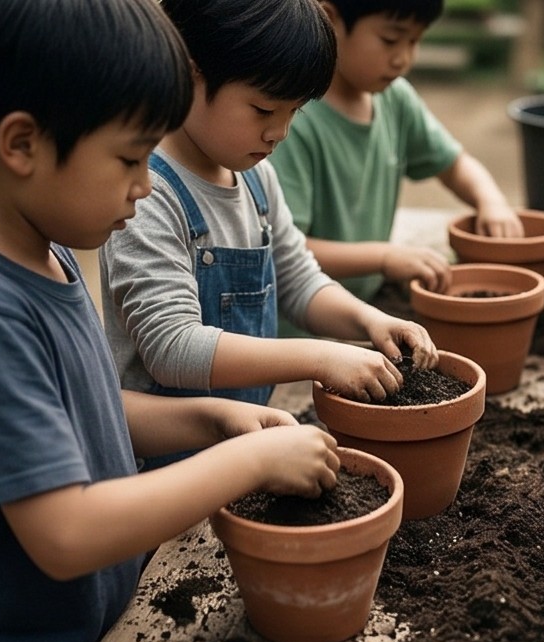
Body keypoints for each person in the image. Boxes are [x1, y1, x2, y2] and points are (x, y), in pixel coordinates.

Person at [0, 1, 341, 642]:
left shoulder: (44, 254)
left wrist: (213, 420)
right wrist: (249, 463)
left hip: (83, 640)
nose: (145, 185)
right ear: (22, 145)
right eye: (131, 157)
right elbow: (66, 533)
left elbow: (87, 409)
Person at [98, 0, 438, 432]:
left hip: (247, 442)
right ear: (188, 73)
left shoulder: (257, 178)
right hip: (169, 460)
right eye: (263, 110)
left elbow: (299, 281)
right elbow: (172, 347)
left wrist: (370, 321)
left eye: (294, 111)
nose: (280, 132)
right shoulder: (146, 194)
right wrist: (320, 356)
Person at [268, 0, 525, 311]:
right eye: (390, 40)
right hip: (305, 318)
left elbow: (454, 163)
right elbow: (284, 250)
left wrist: (492, 202)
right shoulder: (294, 120)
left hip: (366, 302)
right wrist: (384, 257)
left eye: (414, 41)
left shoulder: (395, 99)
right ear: (330, 19)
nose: (403, 58)